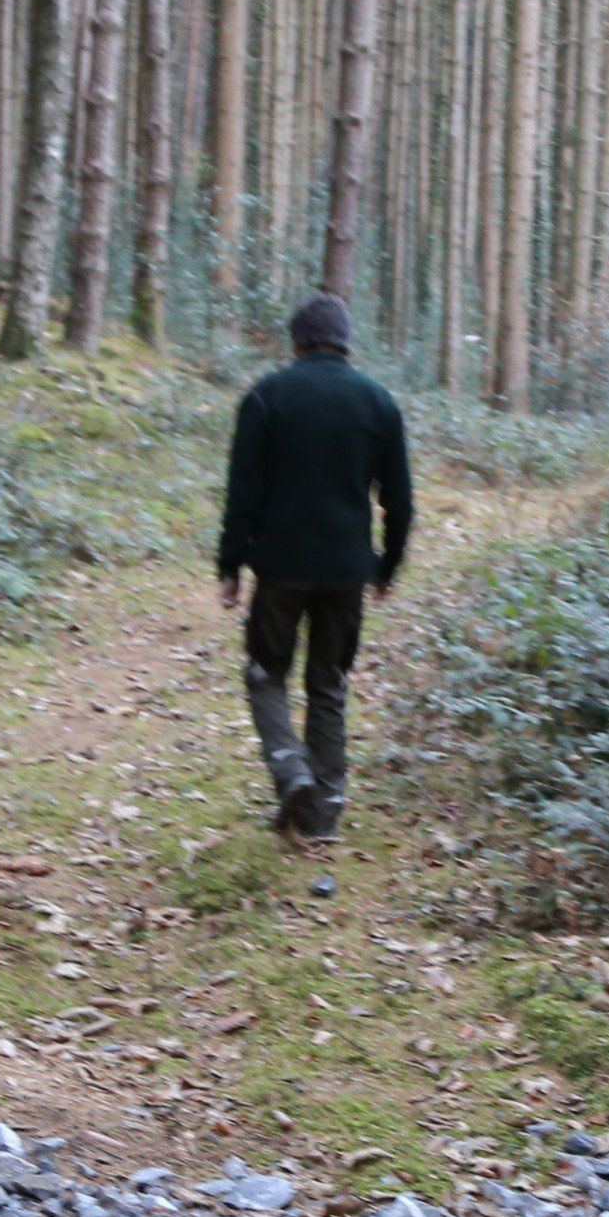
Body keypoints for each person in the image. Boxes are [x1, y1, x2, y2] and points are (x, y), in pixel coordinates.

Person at [216, 294, 415, 842]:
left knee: (266, 674)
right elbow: (400, 500)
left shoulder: (267, 396)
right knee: (328, 682)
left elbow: (242, 494)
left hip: (280, 567)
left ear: (296, 342)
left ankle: (291, 771)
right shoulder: (378, 402)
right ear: (347, 342)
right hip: (347, 569)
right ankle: (323, 812)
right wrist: (387, 566)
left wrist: (230, 564)